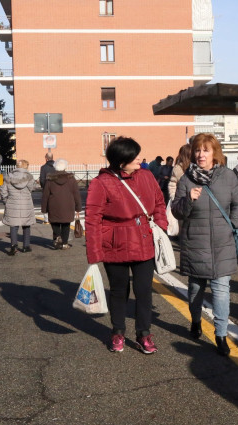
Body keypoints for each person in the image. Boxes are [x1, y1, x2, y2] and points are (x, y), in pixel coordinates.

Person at [85, 137, 167, 354]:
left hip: (144, 241)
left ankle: (144, 334)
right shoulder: (101, 183)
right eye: (135, 155)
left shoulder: (147, 176)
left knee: (144, 292)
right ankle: (118, 332)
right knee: (119, 292)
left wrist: (161, 227)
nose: (140, 158)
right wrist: (94, 253)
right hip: (114, 245)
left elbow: (159, 202)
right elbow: (93, 219)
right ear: (122, 161)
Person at [171, 133, 238, 356]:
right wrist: (187, 200)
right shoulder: (186, 180)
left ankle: (221, 335)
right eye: (197, 150)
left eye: (205, 150)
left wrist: (233, 224)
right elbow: (176, 211)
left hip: (223, 242)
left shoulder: (229, 177)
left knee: (222, 291)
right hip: (196, 242)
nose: (200, 154)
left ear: (215, 153)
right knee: (196, 289)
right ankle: (195, 320)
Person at [41, 159, 82, 250]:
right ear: (65, 167)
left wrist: (44, 208)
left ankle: (57, 236)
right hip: (68, 205)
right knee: (66, 225)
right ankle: (64, 243)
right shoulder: (71, 179)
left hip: (53, 204)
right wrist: (78, 207)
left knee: (54, 222)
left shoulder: (50, 179)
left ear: (55, 167)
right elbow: (76, 194)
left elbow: (45, 195)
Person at [0, 159, 36, 255]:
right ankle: (26, 246)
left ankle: (13, 246)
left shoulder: (9, 176)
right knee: (26, 224)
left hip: (12, 202)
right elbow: (32, 188)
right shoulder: (29, 176)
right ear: (26, 166)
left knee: (13, 225)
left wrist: (6, 201)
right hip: (26, 203)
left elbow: (3, 190)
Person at [168, 144, 192, 233]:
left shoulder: (178, 167)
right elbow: (173, 184)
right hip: (185, 199)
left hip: (182, 200)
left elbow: (172, 184)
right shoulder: (179, 168)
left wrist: (174, 198)